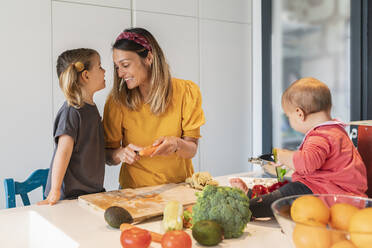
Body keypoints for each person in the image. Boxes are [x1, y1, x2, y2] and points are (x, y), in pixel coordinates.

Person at [231, 77, 367, 217]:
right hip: (339, 195)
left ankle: (246, 208)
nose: (290, 121)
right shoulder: (335, 131)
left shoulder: (320, 136)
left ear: (299, 114)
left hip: (330, 197)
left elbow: (307, 162)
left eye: (289, 117)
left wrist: (281, 155)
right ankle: (252, 196)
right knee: (287, 188)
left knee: (288, 193)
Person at [103, 27, 205, 189]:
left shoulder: (186, 92)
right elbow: (108, 155)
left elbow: (191, 150)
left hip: (179, 188)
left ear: (149, 58)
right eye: (117, 67)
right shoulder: (117, 101)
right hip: (133, 192)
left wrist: (176, 144)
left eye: (125, 65)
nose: (120, 73)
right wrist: (120, 154)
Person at [38, 48, 106, 205]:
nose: (104, 71)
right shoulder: (72, 111)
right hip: (68, 198)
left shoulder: (90, 109)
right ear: (86, 75)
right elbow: (63, 151)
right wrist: (55, 191)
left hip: (88, 195)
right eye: (100, 66)